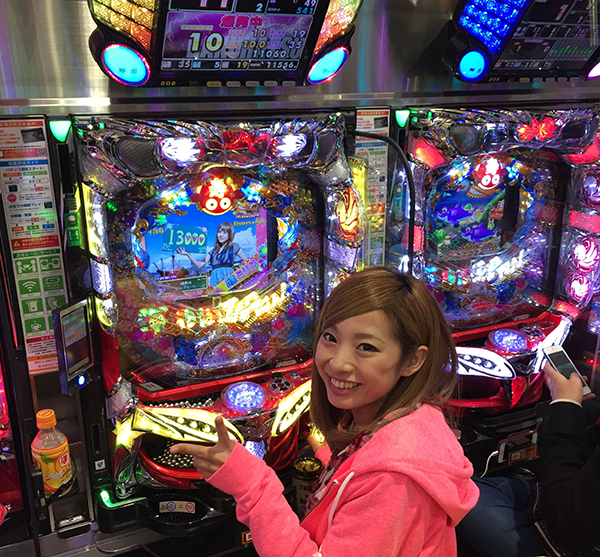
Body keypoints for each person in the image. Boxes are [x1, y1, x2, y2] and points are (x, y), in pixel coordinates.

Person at [170, 267, 479, 557]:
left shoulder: (393, 480)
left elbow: (377, 486)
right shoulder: (412, 417)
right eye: (330, 337)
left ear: (412, 360)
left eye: (366, 347)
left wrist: (251, 483)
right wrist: (330, 456)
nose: (337, 363)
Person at [456, 360, 600, 557]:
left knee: (458, 493)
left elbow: (566, 524)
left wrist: (565, 406)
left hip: (566, 534)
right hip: (564, 494)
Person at [177, 221, 246, 287]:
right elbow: (199, 265)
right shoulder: (213, 251)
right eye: (219, 232)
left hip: (228, 279)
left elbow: (246, 261)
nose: (221, 235)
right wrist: (187, 254)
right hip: (215, 280)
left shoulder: (234, 246)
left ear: (230, 235)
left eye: (225, 233)